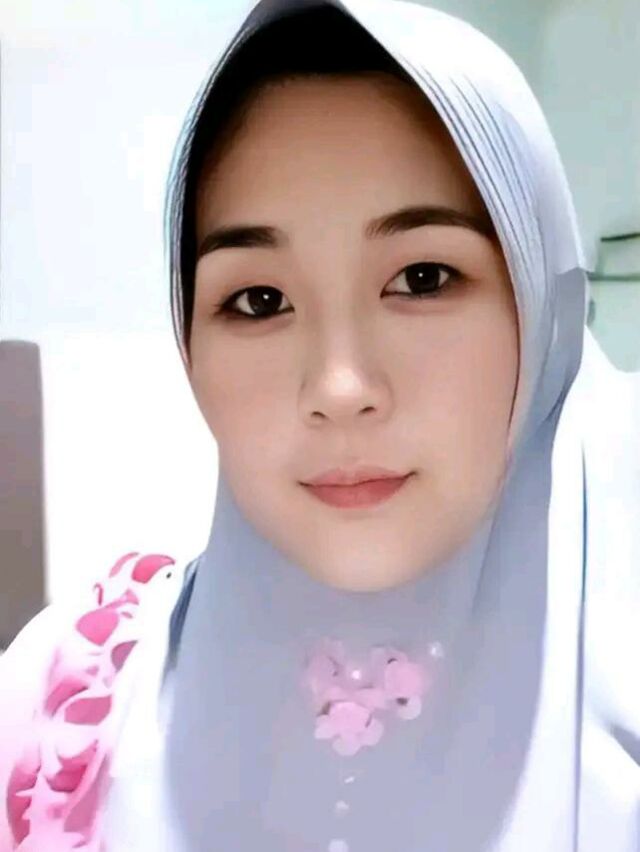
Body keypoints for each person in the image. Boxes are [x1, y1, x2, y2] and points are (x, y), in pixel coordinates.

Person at [1, 0, 638, 849]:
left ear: (543, 312)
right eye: (259, 299)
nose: (340, 389)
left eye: (422, 277)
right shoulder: (60, 712)